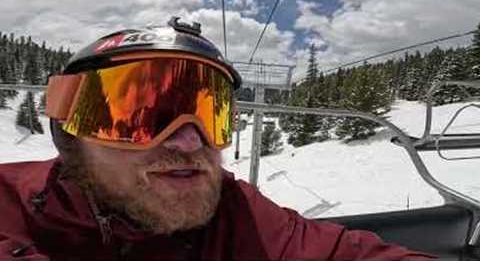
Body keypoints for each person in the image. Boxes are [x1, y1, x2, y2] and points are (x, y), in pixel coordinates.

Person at [0, 17, 435, 260]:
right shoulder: (10, 206)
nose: (190, 142)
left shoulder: (232, 210)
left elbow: (341, 255)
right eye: (140, 116)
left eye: (213, 116)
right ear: (69, 129)